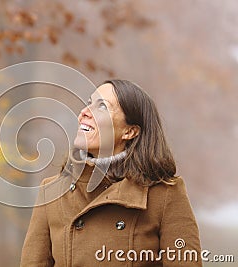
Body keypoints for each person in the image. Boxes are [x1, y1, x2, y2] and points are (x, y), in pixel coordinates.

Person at [20, 80, 202, 266]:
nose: (84, 112)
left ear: (130, 131)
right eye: (89, 102)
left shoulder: (164, 194)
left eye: (102, 107)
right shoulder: (51, 191)